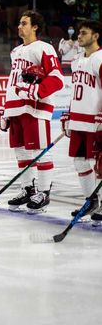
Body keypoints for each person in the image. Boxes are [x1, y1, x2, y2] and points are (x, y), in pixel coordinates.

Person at [0, 10, 64, 214]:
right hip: (16, 108)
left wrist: (38, 91)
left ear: (35, 26)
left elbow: (56, 78)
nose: (19, 26)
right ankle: (28, 189)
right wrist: (6, 109)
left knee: (39, 151)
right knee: (21, 151)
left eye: (24, 23)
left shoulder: (44, 48)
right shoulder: (15, 51)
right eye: (19, 23)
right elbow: (13, 83)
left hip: (34, 109)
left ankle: (44, 192)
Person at [61, 20, 102, 223]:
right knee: (80, 162)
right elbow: (76, 90)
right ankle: (90, 200)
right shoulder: (77, 60)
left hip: (95, 122)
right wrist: (68, 114)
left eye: (84, 33)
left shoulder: (100, 58)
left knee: (98, 164)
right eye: (79, 32)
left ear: (96, 36)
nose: (79, 36)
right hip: (78, 121)